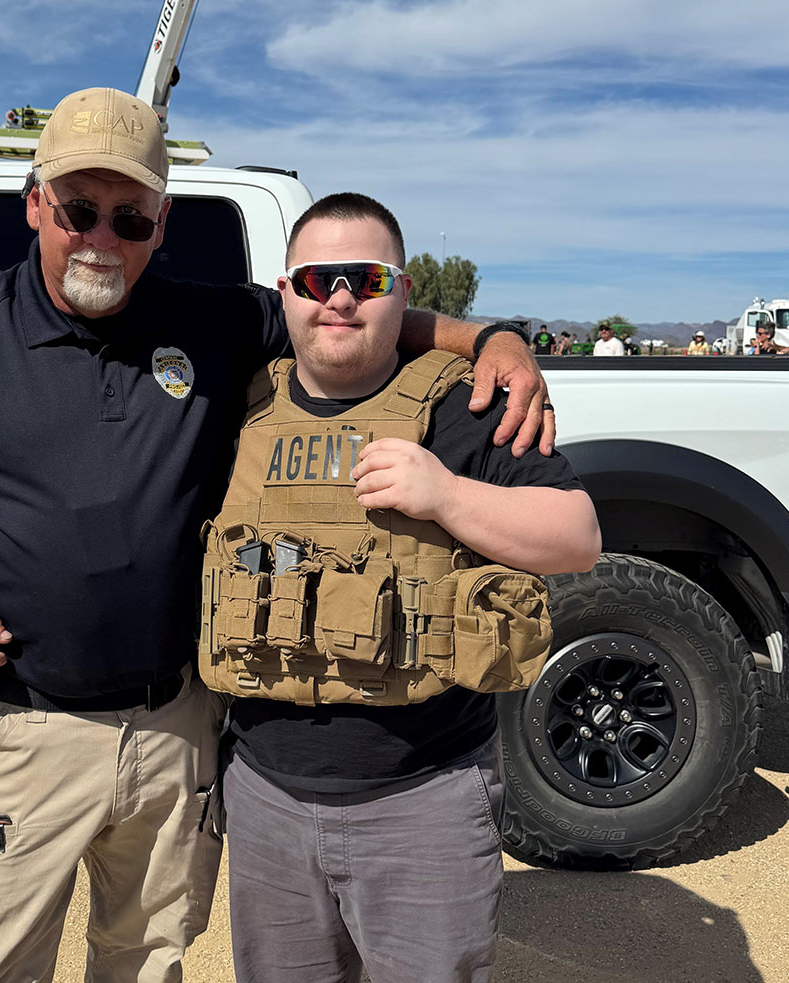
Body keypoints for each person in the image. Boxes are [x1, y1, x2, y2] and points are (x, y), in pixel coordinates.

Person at [0, 88, 551, 983]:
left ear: (161, 224)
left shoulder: (212, 321)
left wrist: (495, 339)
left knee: (148, 963)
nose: (101, 237)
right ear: (36, 205)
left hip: (179, 732)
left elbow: (349, 313)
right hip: (24, 728)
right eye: (79, 209)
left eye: (130, 217)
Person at [204, 193, 601, 983]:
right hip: (265, 798)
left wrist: (446, 494)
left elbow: (577, 537)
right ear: (285, 292)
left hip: (422, 800)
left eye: (367, 278)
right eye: (317, 280)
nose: (341, 298)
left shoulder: (461, 404)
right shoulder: (237, 404)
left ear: (404, 294)